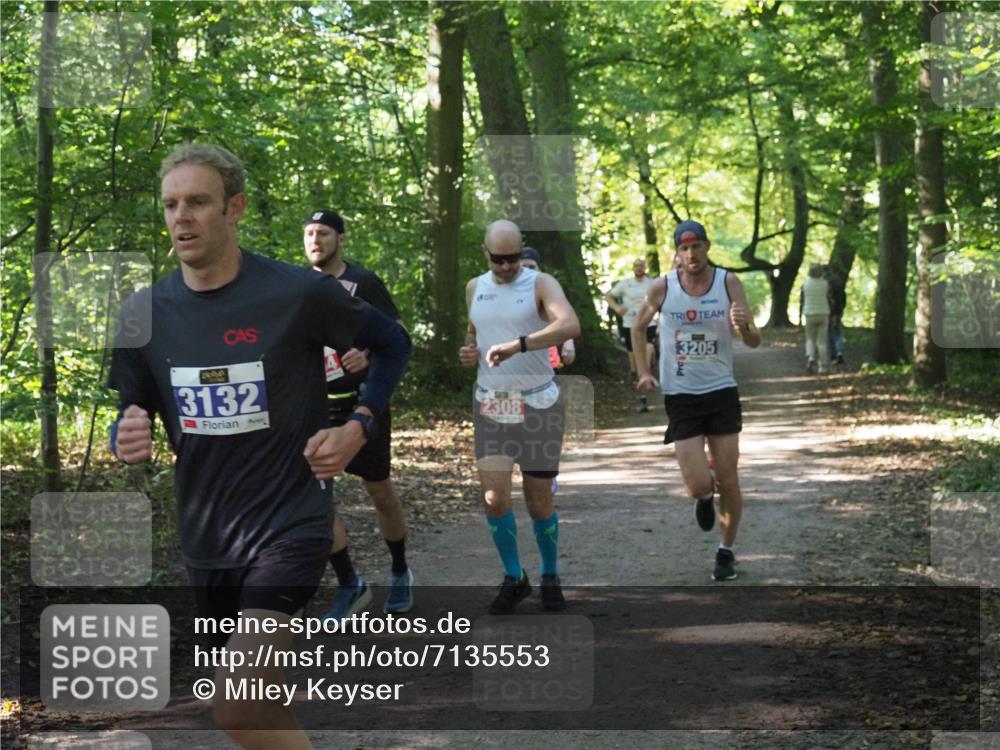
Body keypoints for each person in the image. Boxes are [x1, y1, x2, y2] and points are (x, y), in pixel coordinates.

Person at [109, 143, 410, 750]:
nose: (181, 217)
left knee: (237, 706)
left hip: (289, 522)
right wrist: (128, 430)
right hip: (208, 535)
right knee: (259, 709)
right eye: (170, 205)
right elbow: (132, 406)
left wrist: (359, 425)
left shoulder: (297, 292)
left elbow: (392, 342)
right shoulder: (143, 312)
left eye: (197, 201)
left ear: (234, 208)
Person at [459, 220, 581, 614]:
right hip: (492, 403)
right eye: (499, 259)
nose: (507, 266)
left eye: (513, 258)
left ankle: (549, 574)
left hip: (537, 403)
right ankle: (514, 577)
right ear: (485, 253)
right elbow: (474, 333)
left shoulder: (540, 283)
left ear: (522, 251)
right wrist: (469, 352)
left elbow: (570, 324)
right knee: (494, 498)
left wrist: (520, 345)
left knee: (540, 501)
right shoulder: (475, 287)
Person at [633, 219, 761, 581]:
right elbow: (637, 326)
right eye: (685, 248)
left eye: (697, 247)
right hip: (681, 395)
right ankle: (704, 500)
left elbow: (754, 341)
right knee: (699, 484)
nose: (691, 254)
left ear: (707, 248)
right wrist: (643, 371)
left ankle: (726, 551)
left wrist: (746, 325)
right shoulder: (663, 287)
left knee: (729, 479)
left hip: (721, 391)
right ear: (677, 253)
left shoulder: (727, 282)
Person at [303, 210, 413, 620]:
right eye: (310, 233)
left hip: (363, 402)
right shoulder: (299, 285)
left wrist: (365, 353)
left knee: (379, 490)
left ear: (341, 239)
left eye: (325, 233)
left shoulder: (363, 282)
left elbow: (398, 335)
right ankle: (351, 584)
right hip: (316, 405)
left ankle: (400, 569)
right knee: (316, 498)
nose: (316, 240)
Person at [605, 258, 656, 412]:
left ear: (645, 267)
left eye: (641, 265)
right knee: (635, 366)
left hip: (649, 324)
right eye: (636, 265)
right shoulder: (625, 284)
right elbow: (609, 296)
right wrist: (617, 308)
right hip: (630, 325)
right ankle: (641, 396)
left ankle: (645, 396)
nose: (639, 268)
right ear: (633, 268)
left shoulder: (652, 283)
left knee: (645, 361)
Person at [520, 247, 576, 369]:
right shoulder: (507, 291)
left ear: (539, 269)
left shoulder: (547, 291)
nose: (528, 271)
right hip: (518, 361)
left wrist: (568, 340)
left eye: (532, 267)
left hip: (547, 361)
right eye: (524, 267)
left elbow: (563, 318)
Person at [799, 263, 830, 374]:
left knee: (810, 339)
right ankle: (823, 367)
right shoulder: (825, 284)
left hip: (809, 313)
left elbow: (802, 300)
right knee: (822, 342)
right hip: (823, 313)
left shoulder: (805, 284)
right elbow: (829, 297)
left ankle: (811, 357)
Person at [825, 264, 847, 366]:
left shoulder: (824, 283)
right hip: (838, 310)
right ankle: (840, 352)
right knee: (838, 333)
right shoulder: (838, 281)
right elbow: (843, 296)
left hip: (828, 311)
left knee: (830, 334)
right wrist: (842, 307)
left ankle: (833, 355)